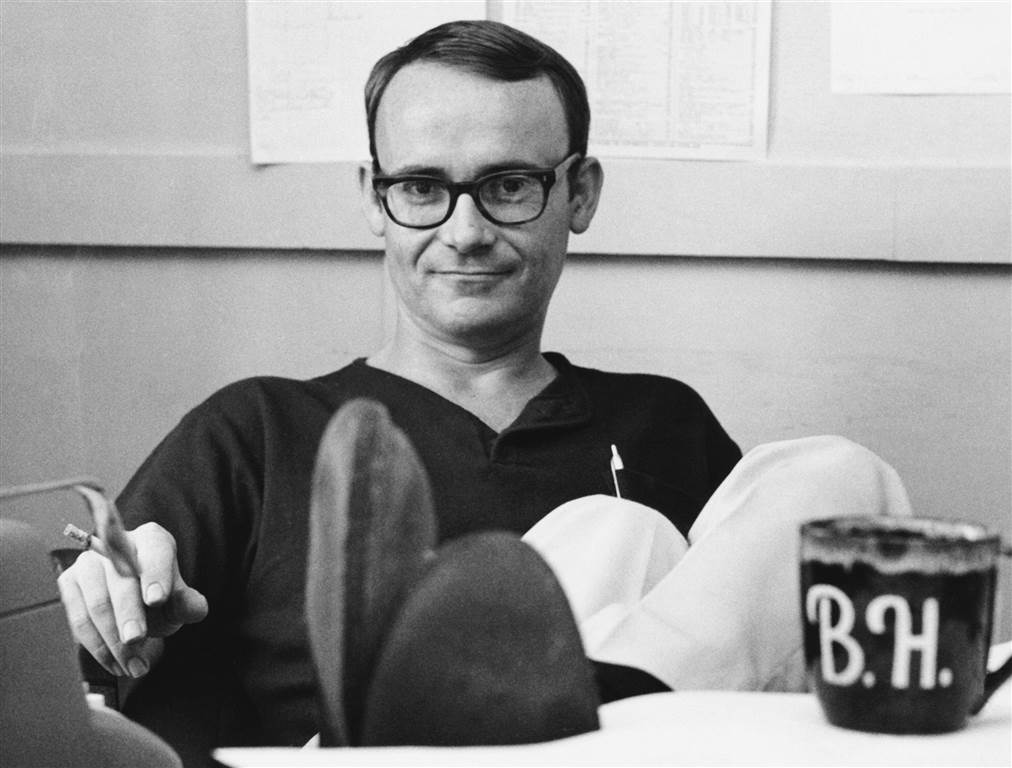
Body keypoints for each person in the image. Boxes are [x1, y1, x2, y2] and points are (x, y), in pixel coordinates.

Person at [54, 19, 912, 768]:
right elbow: (78, 657)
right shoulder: (257, 431)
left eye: (507, 186)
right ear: (374, 200)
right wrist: (109, 597)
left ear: (579, 193)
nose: (464, 232)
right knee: (609, 535)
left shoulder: (663, 425)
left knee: (817, 484)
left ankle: (569, 710)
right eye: (422, 188)